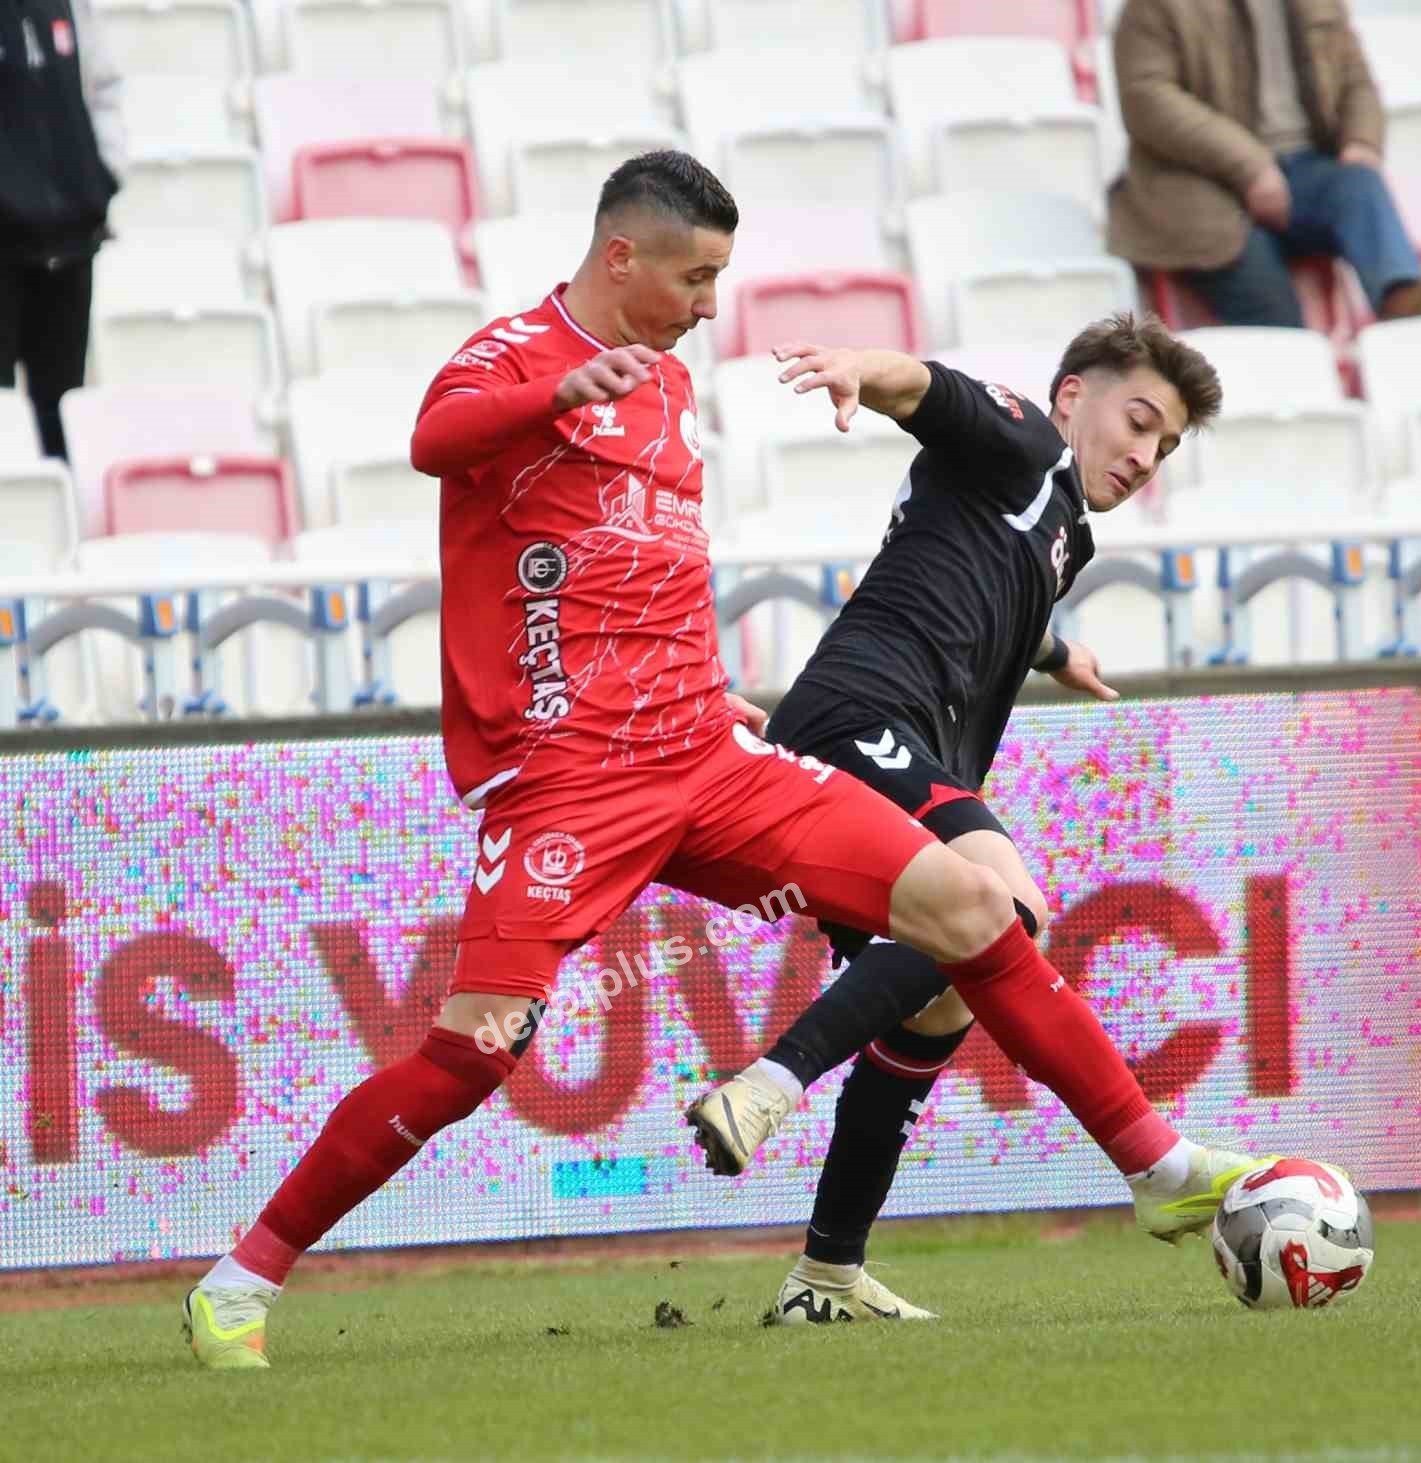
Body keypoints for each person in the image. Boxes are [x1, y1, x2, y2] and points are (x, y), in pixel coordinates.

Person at [180, 152, 1254, 1368]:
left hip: (704, 751)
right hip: (571, 779)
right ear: (622, 254)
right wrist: (559, 392)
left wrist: (698, 676)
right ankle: (239, 1279)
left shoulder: (670, 387)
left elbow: (639, 557)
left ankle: (1154, 1166)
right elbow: (437, 440)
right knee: (473, 1051)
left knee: (971, 902)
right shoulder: (512, 357)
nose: (708, 303)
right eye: (696, 276)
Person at [686, 315, 1257, 1325]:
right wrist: (865, 367)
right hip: (862, 716)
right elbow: (933, 394)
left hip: (873, 730)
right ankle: (770, 1083)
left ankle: (826, 1275)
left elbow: (982, 571)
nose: (1142, 455)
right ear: (1072, 396)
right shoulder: (1028, 442)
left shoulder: (1056, 524)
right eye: (1136, 421)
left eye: (1163, 446)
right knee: (1003, 906)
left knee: (941, 996)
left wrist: (1051, 652)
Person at [1107, 0, 1421, 328]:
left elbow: (1355, 77)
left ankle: (1406, 309)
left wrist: (1362, 141)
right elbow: (1146, 100)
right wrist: (1250, 167)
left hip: (1305, 170)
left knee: (1359, 185)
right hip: (1198, 188)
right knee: (1276, 318)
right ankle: (1295, 374)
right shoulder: (1151, 7)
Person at [0, 0, 122, 460]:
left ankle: (60, 521)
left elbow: (104, 88)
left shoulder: (73, 6)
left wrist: (103, 175)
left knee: (63, 417)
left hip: (69, 242)